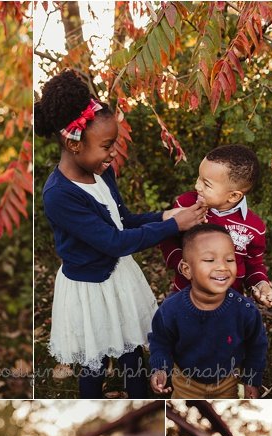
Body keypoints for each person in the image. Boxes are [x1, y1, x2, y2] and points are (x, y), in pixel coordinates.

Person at [35, 69, 206, 399]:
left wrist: (164, 215)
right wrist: (173, 226)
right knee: (94, 360)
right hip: (88, 287)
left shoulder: (102, 172)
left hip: (118, 277)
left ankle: (139, 397)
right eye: (106, 146)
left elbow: (122, 221)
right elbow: (112, 241)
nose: (113, 153)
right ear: (73, 144)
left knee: (132, 349)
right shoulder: (59, 194)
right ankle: (91, 401)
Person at [149, 225, 267, 398]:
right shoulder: (171, 309)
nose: (222, 267)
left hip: (227, 381)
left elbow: (256, 346)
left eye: (229, 259)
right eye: (210, 260)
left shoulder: (245, 310)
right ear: (187, 269)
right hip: (185, 381)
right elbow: (160, 342)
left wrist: (251, 380)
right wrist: (160, 369)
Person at [159, 144, 272, 307]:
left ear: (233, 196)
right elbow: (168, 238)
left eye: (206, 184)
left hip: (228, 305)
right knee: (176, 329)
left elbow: (254, 264)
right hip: (185, 297)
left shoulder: (253, 227)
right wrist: (180, 263)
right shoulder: (186, 205)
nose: (197, 186)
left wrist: (260, 285)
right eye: (198, 178)